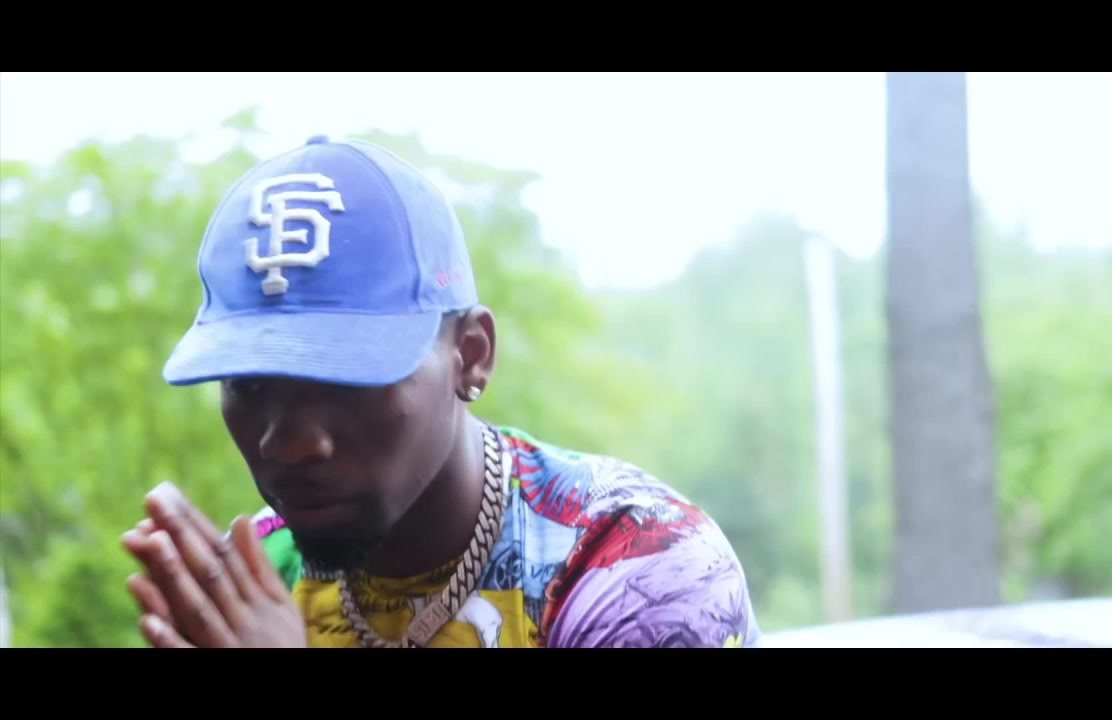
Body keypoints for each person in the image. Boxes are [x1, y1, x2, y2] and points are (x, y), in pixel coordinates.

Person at [120, 134, 760, 648]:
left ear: (470, 355)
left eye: (348, 377)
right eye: (249, 382)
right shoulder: (256, 585)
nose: (287, 443)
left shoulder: (635, 566)